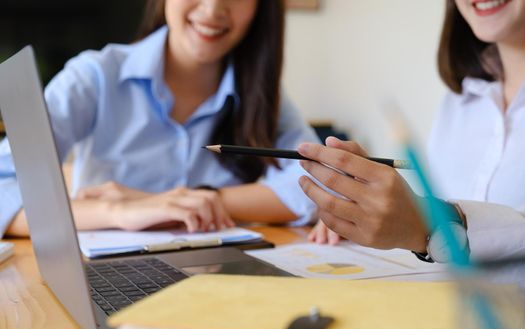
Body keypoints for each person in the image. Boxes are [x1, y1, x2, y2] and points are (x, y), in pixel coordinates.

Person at [0, 0, 319, 237]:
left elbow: (320, 185)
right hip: (105, 275)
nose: (212, 9)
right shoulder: (94, 78)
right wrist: (117, 211)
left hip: (221, 276)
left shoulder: (261, 94)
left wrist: (188, 200)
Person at [299, 0, 525, 262]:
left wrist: (428, 225)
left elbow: (434, 222)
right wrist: (367, 215)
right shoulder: (460, 100)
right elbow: (432, 202)